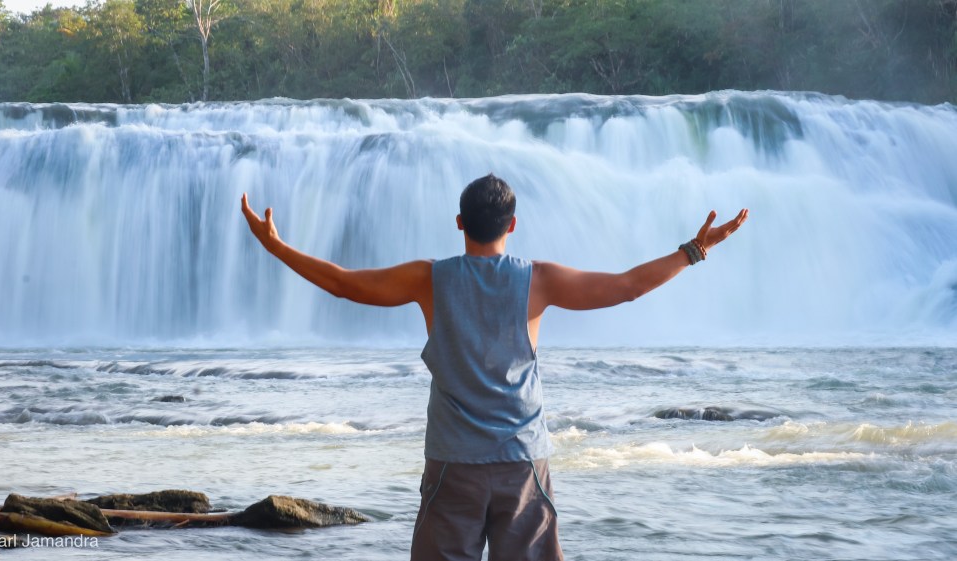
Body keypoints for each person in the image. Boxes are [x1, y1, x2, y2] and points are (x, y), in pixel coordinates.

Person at [241, 174, 748, 561]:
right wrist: (694, 250)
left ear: (459, 224)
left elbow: (343, 282)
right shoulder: (540, 281)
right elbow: (626, 286)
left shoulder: (428, 280)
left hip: (452, 468)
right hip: (522, 466)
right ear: (513, 225)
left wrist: (275, 246)